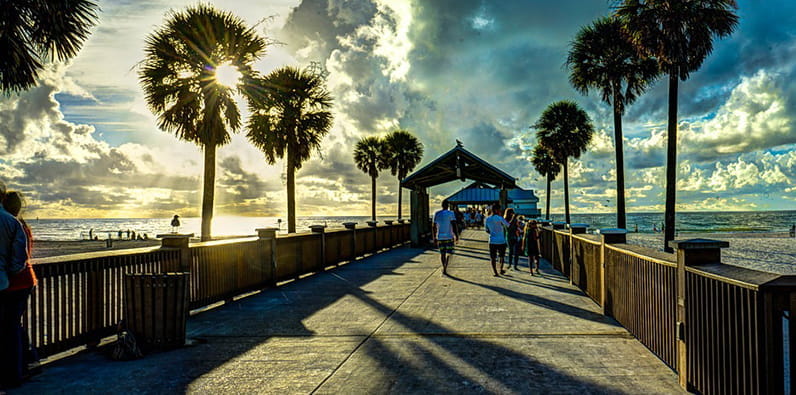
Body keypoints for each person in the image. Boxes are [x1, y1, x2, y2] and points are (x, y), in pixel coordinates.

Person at [0, 188, 34, 389]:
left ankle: (16, 372)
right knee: (13, 326)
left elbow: (20, 258)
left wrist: (9, 273)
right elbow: (22, 255)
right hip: (18, 281)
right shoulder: (17, 223)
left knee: (10, 328)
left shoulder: (13, 223)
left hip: (15, 283)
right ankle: (27, 364)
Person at [432, 201, 458, 276]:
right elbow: (454, 224)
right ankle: (445, 267)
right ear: (448, 206)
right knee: (449, 253)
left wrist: (434, 237)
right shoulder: (451, 213)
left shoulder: (437, 213)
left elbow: (433, 226)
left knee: (442, 253)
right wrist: (456, 235)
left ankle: (444, 266)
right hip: (449, 236)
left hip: (440, 237)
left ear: (442, 205)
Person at [485, 203, 510, 276]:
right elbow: (508, 225)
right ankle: (501, 269)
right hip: (501, 240)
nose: (500, 211)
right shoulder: (500, 218)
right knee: (501, 256)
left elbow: (487, 230)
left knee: (493, 257)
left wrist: (493, 231)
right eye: (499, 209)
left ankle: (495, 272)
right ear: (496, 210)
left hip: (492, 240)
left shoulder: (487, 219)